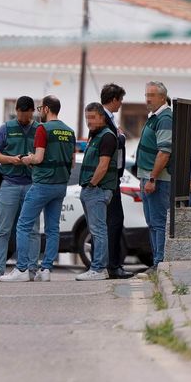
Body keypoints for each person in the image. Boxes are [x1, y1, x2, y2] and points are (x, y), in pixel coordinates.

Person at [1, 95, 75, 282]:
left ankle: (22, 269)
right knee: (52, 228)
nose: (39, 111)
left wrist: (28, 159)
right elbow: (72, 163)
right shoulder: (69, 131)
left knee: (23, 225)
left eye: (41, 108)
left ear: (47, 109)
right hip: (61, 185)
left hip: (43, 184)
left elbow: (39, 158)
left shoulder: (42, 129)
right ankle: (46, 269)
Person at [0, 96, 41, 282]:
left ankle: (32, 268)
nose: (23, 118)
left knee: (33, 228)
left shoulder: (39, 129)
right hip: (9, 183)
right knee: (3, 228)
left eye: (27, 115)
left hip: (32, 184)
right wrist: (12, 159)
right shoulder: (5, 129)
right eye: (20, 114)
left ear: (33, 112)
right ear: (16, 110)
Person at [75, 103, 119, 281]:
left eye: (92, 117)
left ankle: (99, 268)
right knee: (95, 230)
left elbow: (103, 165)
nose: (89, 121)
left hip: (97, 189)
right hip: (91, 189)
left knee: (98, 230)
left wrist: (92, 184)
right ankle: (98, 268)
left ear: (102, 117)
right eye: (87, 118)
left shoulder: (107, 136)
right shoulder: (96, 136)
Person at [136, 81, 173, 274]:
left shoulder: (165, 118)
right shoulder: (155, 117)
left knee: (158, 223)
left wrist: (152, 179)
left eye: (151, 95)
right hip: (149, 178)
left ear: (162, 97)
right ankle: (156, 262)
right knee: (152, 223)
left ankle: (159, 263)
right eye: (146, 95)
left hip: (158, 180)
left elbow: (164, 152)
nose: (148, 99)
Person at [100, 83, 133, 279]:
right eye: (120, 100)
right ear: (113, 100)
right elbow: (109, 145)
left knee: (112, 222)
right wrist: (120, 137)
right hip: (109, 179)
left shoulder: (109, 118)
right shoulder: (103, 119)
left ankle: (111, 264)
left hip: (113, 177)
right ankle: (112, 265)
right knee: (114, 222)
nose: (121, 104)